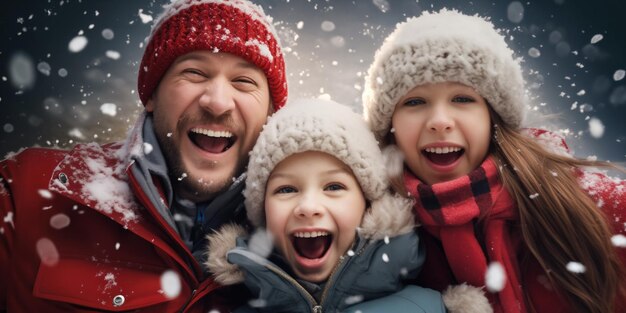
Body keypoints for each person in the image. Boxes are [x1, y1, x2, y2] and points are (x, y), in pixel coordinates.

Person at [0, 0, 287, 311]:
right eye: (194, 72)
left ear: (270, 112)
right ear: (151, 94)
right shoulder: (27, 189)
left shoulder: (312, 230)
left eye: (243, 81)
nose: (217, 102)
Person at [361, 9, 626, 313]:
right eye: (415, 102)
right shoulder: (371, 245)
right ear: (390, 126)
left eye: (463, 98)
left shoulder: (592, 209)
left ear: (493, 118)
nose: (440, 121)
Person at [204, 98, 492, 313]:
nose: (308, 206)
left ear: (368, 206)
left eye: (333, 187)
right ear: (263, 214)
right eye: (286, 189)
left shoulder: (429, 307)